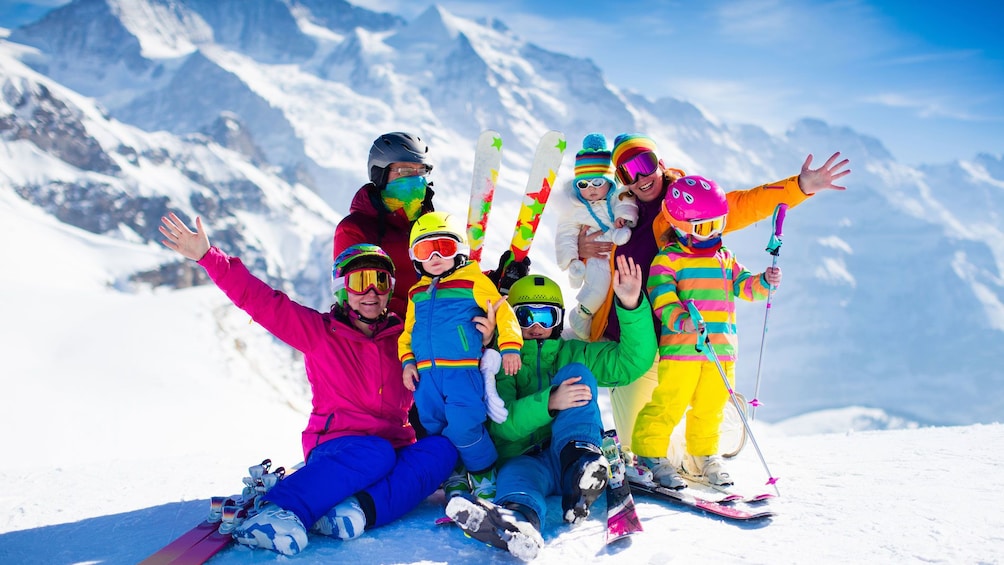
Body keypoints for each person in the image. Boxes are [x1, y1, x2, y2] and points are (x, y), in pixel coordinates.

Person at [159, 213, 464, 556]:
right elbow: (262, 302)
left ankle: (353, 510)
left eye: (380, 280)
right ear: (342, 288)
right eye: (359, 280)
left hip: (392, 449)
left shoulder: (405, 339)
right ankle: (280, 508)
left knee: (441, 450)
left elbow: (453, 339)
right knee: (373, 453)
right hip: (337, 445)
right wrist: (207, 256)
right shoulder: (321, 333)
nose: (371, 291)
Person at [576, 134, 850, 454]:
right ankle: (701, 442)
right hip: (629, 338)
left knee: (660, 438)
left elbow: (744, 204)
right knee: (639, 446)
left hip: (677, 338)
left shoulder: (690, 204)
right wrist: (582, 250)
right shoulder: (617, 209)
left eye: (644, 164)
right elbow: (595, 255)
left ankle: (715, 433)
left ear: (659, 162)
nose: (640, 178)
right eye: (627, 173)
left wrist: (800, 186)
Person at [444, 257, 657, 561]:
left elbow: (631, 362)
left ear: (558, 320)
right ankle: (519, 521)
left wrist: (630, 303)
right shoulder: (500, 364)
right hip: (526, 459)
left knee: (578, 375)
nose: (536, 327)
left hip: (569, 454)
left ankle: (584, 469)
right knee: (517, 479)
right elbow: (500, 426)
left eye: (546, 317)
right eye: (525, 316)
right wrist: (549, 402)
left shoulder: (573, 352)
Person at [633, 175, 782, 489]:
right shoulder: (669, 260)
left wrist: (764, 282)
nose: (714, 232)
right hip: (683, 350)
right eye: (704, 227)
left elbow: (745, 287)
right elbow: (662, 298)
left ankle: (703, 456)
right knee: (670, 402)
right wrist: (681, 320)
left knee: (711, 408)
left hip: (722, 350)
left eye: (720, 223)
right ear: (679, 224)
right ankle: (648, 454)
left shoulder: (724, 257)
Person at [400, 211, 524, 500]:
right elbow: (408, 333)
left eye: (442, 247)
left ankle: (483, 473)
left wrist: (510, 347)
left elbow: (503, 313)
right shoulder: (415, 293)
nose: (433, 256)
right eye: (423, 249)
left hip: (461, 371)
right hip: (426, 377)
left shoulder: (473, 281)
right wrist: (407, 361)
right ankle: (453, 474)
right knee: (434, 425)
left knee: (465, 424)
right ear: (415, 257)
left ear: (459, 250)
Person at [555, 133, 638, 339]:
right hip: (597, 258)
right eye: (583, 184)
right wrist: (571, 259)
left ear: (609, 182)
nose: (590, 189)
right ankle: (580, 315)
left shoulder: (619, 196)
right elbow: (565, 233)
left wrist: (625, 218)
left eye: (597, 182)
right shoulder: (575, 208)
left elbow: (628, 204)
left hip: (618, 251)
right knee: (599, 287)